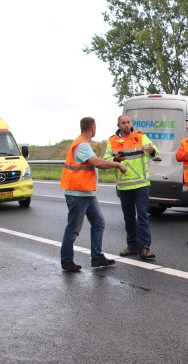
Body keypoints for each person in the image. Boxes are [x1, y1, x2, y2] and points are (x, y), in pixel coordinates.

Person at [60, 117, 126, 272]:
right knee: (73, 228)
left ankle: (97, 257)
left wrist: (113, 160)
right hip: (78, 193)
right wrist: (117, 164)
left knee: (98, 223)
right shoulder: (81, 144)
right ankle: (66, 260)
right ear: (92, 128)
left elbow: (95, 161)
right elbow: (96, 162)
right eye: (96, 126)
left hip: (87, 193)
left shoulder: (83, 144)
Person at [104, 114, 159, 260]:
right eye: (123, 123)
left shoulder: (140, 137)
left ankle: (145, 247)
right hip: (123, 185)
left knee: (142, 215)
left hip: (141, 184)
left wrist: (151, 151)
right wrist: (115, 159)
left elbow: (154, 152)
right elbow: (106, 159)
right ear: (119, 125)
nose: (126, 125)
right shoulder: (112, 141)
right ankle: (132, 246)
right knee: (128, 217)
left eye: (128, 122)